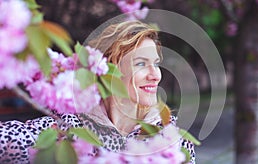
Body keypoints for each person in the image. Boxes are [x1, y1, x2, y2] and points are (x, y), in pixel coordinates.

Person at [0, 20, 195, 163]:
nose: (155, 75)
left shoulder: (171, 139)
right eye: (141, 63)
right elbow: (8, 141)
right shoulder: (69, 127)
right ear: (109, 69)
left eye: (156, 64)